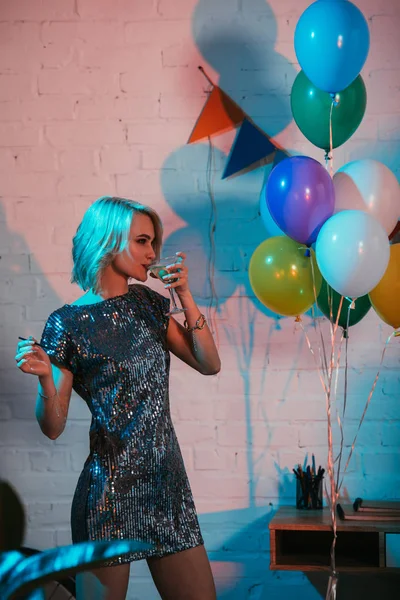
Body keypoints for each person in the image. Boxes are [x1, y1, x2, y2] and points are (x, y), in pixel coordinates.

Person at [15, 196, 221, 600]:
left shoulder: (148, 305)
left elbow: (209, 364)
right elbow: (53, 426)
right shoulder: (67, 323)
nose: (153, 253)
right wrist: (44, 380)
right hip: (108, 494)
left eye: (154, 243)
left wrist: (185, 297)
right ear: (110, 242)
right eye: (143, 241)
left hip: (167, 485)